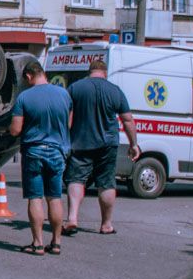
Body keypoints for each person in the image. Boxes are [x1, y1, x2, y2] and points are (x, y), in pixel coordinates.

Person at [63, 59, 140, 236]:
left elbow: (66, 116)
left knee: (76, 180)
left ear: (89, 71)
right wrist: (133, 144)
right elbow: (127, 119)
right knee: (106, 183)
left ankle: (72, 218)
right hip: (108, 144)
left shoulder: (76, 88)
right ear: (105, 73)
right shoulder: (114, 90)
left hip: (80, 142)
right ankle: (106, 224)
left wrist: (66, 137)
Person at [8, 61, 72, 256]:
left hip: (34, 152)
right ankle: (56, 242)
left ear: (28, 76)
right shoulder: (64, 94)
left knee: (35, 198)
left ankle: (37, 243)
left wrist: (9, 129)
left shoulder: (24, 98)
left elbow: (16, 130)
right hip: (57, 151)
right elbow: (68, 124)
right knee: (55, 198)